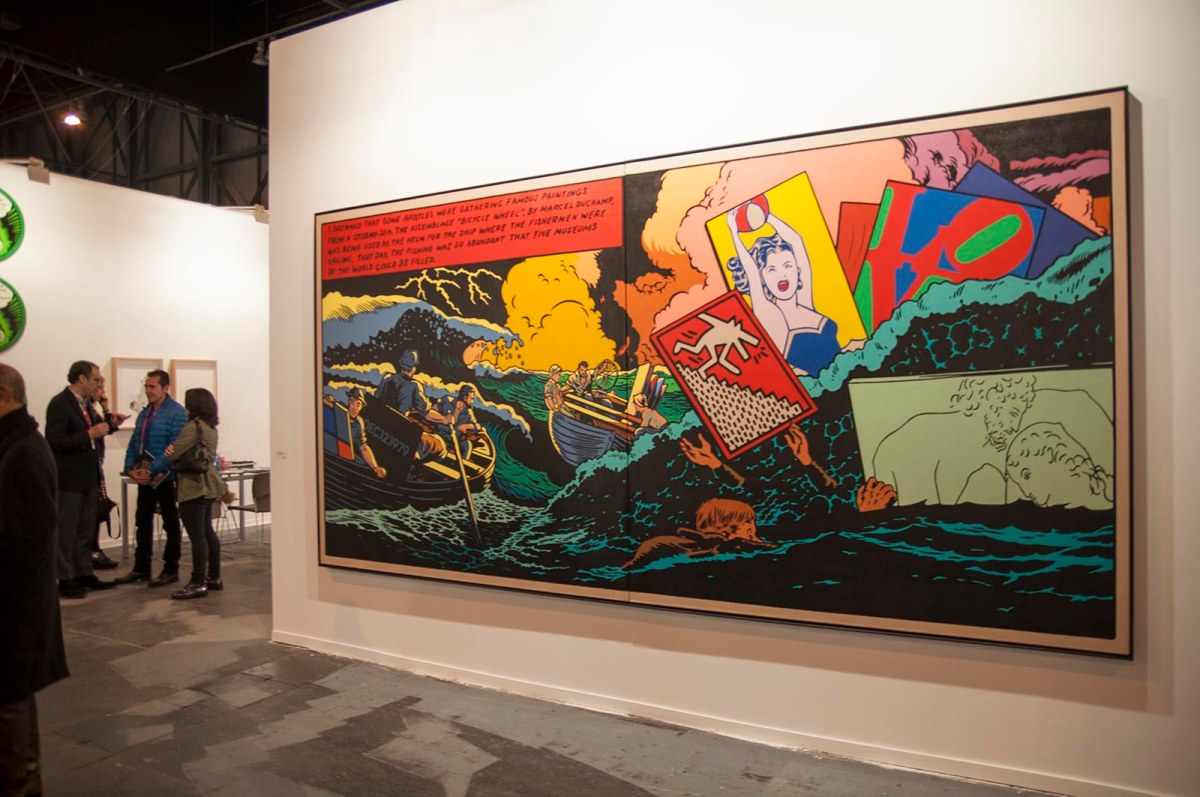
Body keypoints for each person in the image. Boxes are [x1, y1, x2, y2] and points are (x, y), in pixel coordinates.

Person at [0, 364, 69, 795]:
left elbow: (31, 539)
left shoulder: (24, 450)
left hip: (16, 607)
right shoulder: (13, 445)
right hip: (14, 603)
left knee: (10, 701)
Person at [725, 205, 842, 376]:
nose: (782, 274)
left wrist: (766, 214)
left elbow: (796, 241)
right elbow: (751, 272)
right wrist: (734, 232)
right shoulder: (771, 316)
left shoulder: (804, 303)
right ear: (762, 278)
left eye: (787, 265)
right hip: (826, 388)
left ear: (797, 270)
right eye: (771, 269)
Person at [44, 360, 115, 598]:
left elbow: (99, 431)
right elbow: (54, 441)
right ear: (82, 378)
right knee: (67, 531)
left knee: (86, 530)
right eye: (96, 379)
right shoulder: (60, 404)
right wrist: (88, 434)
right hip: (69, 479)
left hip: (88, 477)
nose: (99, 384)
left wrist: (108, 421)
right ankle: (65, 578)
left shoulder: (86, 405)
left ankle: (84, 572)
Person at [116, 369, 187, 588]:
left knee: (170, 524)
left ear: (165, 388)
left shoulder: (176, 413)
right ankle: (141, 568)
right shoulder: (145, 413)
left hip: (166, 478)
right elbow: (135, 443)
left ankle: (171, 569)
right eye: (146, 386)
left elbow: (174, 448)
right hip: (145, 478)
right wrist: (130, 469)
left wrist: (153, 469)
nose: (148, 390)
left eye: (152, 386)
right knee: (142, 522)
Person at [164, 388, 227, 599]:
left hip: (194, 487)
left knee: (197, 536)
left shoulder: (193, 427)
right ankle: (213, 577)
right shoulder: (211, 428)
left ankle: (198, 582)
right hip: (209, 486)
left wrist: (170, 451)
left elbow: (173, 453)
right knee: (207, 532)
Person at [375, 350, 446, 459]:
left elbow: (377, 399)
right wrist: (444, 419)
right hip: (399, 434)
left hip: (380, 427)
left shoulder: (387, 377)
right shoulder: (414, 385)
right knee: (439, 444)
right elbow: (426, 413)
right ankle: (413, 459)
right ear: (414, 368)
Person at [88, 375, 126, 569]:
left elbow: (107, 429)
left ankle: (94, 549)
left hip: (97, 465)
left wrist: (107, 409)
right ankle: (92, 551)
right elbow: (99, 430)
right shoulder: (85, 411)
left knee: (97, 508)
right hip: (89, 467)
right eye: (100, 387)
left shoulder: (93, 409)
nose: (103, 392)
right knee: (92, 510)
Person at [346, 388, 387, 478]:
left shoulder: (359, 422)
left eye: (358, 404)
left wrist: (375, 467)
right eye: (352, 402)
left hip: (347, 454)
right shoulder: (339, 411)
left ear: (361, 407)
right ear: (348, 402)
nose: (354, 408)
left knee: (362, 465)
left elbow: (363, 447)